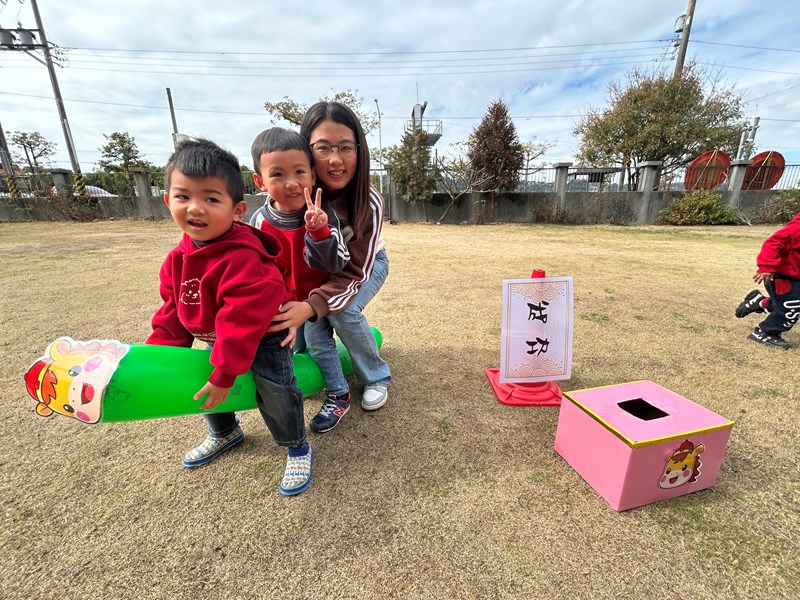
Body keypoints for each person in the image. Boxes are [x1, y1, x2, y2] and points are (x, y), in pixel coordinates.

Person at [147, 138, 312, 496]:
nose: (196, 208)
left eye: (211, 198)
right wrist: (155, 358)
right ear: (167, 200)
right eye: (183, 196)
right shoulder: (177, 258)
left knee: (276, 390)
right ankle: (224, 431)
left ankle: (296, 444)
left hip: (265, 335)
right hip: (216, 338)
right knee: (198, 379)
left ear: (237, 209)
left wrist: (225, 372)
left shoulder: (243, 257)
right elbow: (172, 311)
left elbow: (242, 321)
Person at [267, 101, 392, 422]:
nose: (335, 160)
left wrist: (311, 307)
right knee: (309, 329)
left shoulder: (370, 200)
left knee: (341, 309)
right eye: (323, 149)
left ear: (359, 151)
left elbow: (354, 273)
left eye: (346, 148)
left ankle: (376, 375)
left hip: (365, 266)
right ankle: (316, 366)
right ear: (306, 151)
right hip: (318, 273)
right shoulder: (299, 190)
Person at [248, 127, 353, 433]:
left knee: (319, 342)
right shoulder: (258, 222)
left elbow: (338, 263)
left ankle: (339, 393)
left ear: (312, 175)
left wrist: (319, 231)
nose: (291, 183)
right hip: (284, 302)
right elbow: (259, 271)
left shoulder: (323, 214)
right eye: (278, 174)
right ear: (260, 181)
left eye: (299, 172)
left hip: (316, 299)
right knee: (292, 345)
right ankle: (305, 378)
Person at [735, 212, 800, 350]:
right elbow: (773, 243)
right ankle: (765, 332)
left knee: (786, 304)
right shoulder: (797, 229)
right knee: (791, 307)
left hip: (796, 277)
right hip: (784, 276)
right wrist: (767, 266)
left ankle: (759, 301)